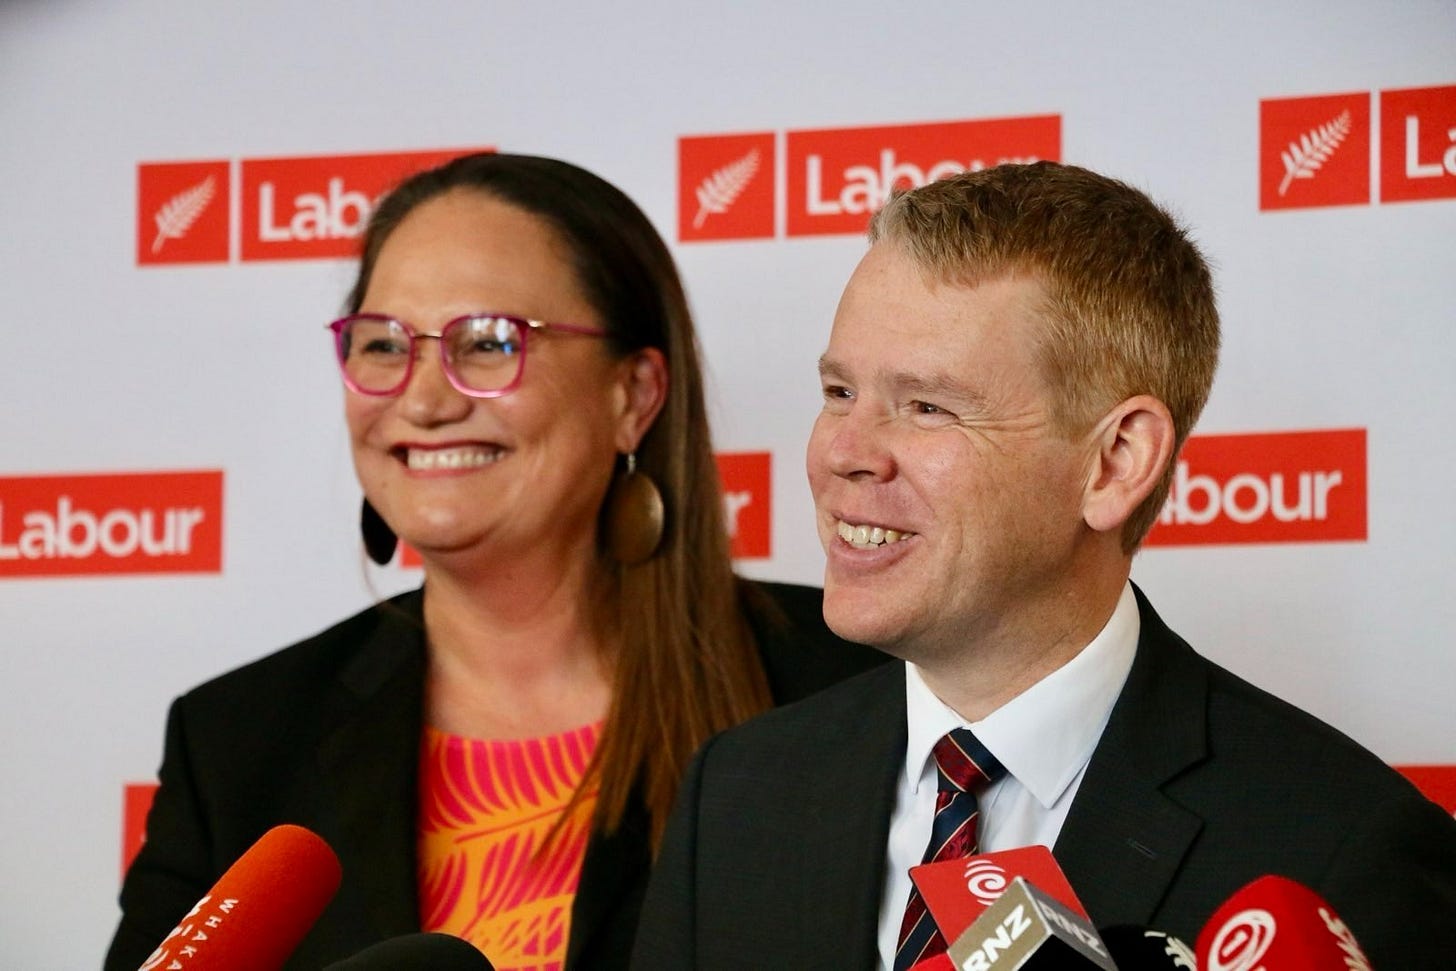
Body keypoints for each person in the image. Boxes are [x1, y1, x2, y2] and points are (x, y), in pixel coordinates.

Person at [631, 162, 1456, 969]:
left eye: (927, 406)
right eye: (840, 392)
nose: (842, 452)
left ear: (1115, 463)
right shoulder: (737, 793)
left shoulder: (1341, 849)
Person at [104, 153, 885, 971]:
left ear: (634, 395)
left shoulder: (849, 684)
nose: (424, 398)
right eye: (381, 344)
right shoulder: (237, 741)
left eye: (487, 343)